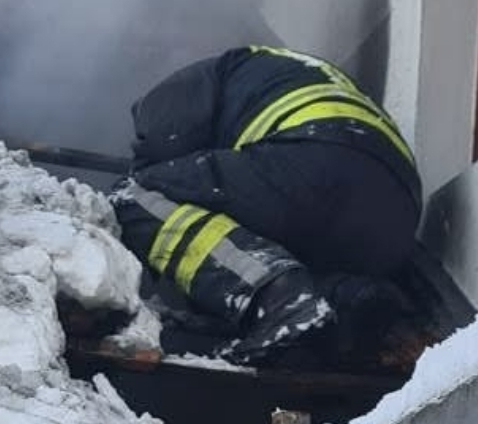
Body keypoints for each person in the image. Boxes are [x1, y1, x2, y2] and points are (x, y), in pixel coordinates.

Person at [109, 45, 422, 365]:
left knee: (133, 195)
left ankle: (282, 299)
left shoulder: (183, 85)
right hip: (397, 214)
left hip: (313, 160)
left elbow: (164, 146)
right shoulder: (286, 69)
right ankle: (357, 300)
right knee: (280, 245)